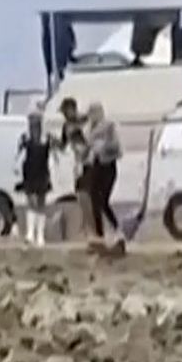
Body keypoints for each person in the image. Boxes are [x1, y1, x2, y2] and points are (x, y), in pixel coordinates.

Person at [82, 103, 125, 255]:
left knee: (103, 200)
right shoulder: (88, 130)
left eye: (93, 113)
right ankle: (99, 236)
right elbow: (86, 147)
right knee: (94, 199)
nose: (91, 116)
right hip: (95, 166)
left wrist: (103, 146)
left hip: (108, 166)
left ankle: (117, 229)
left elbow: (117, 147)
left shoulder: (109, 127)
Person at [17, 112, 54, 246]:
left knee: (40, 204)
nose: (33, 126)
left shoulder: (46, 139)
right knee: (31, 202)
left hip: (42, 173)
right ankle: (30, 233)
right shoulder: (25, 139)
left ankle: (40, 235)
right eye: (31, 124)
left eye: (36, 123)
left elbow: (52, 154)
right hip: (29, 174)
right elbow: (19, 156)